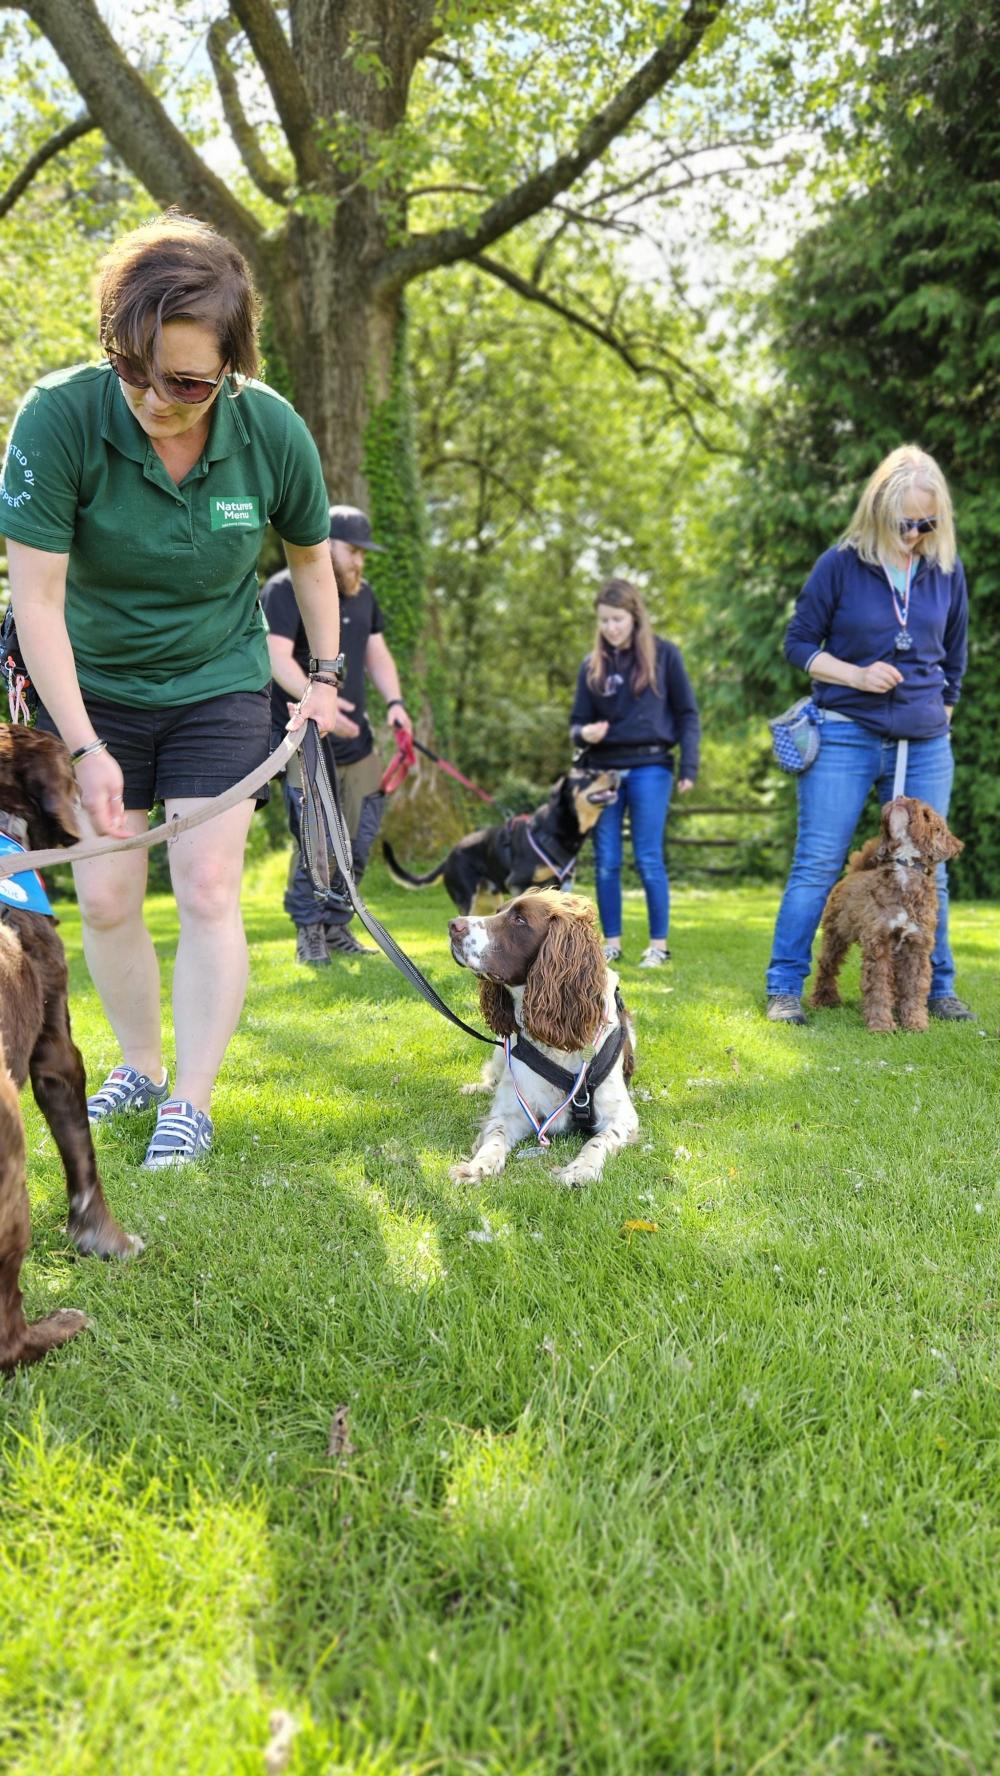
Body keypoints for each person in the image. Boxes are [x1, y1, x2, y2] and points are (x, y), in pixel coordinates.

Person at [0, 213, 340, 1167]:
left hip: (218, 680)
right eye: (135, 371)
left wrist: (322, 677)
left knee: (206, 883)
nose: (156, 399)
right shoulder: (59, 418)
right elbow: (38, 600)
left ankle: (191, 1098)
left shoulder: (271, 429)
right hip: (91, 684)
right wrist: (85, 745)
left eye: (186, 383)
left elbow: (312, 564)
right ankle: (141, 1066)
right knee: (106, 898)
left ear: (230, 366)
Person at [765, 443, 971, 1024]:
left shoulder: (944, 572)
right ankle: (785, 986)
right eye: (906, 521)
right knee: (819, 862)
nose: (915, 533)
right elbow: (798, 645)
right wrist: (855, 674)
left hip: (926, 740)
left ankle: (938, 989)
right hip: (846, 731)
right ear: (879, 510)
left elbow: (953, 664)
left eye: (927, 522)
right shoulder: (839, 565)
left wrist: (937, 718)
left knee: (932, 868)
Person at [261, 504, 412, 964]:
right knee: (317, 836)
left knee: (360, 834)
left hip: (355, 738)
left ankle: (336, 925)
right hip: (304, 734)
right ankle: (309, 931)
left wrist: (397, 705)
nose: (359, 562)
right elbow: (275, 657)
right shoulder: (285, 589)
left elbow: (378, 656)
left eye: (364, 554)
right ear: (325, 543)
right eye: (353, 551)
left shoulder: (364, 596)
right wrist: (316, 699)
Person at [569, 578, 699, 966]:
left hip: (651, 768)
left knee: (647, 856)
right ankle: (611, 942)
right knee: (606, 858)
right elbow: (576, 724)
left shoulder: (665, 656)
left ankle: (658, 946)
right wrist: (584, 732)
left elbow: (687, 714)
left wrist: (688, 765)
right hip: (603, 770)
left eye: (617, 619)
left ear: (634, 616)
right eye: (604, 621)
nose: (611, 628)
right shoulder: (591, 666)